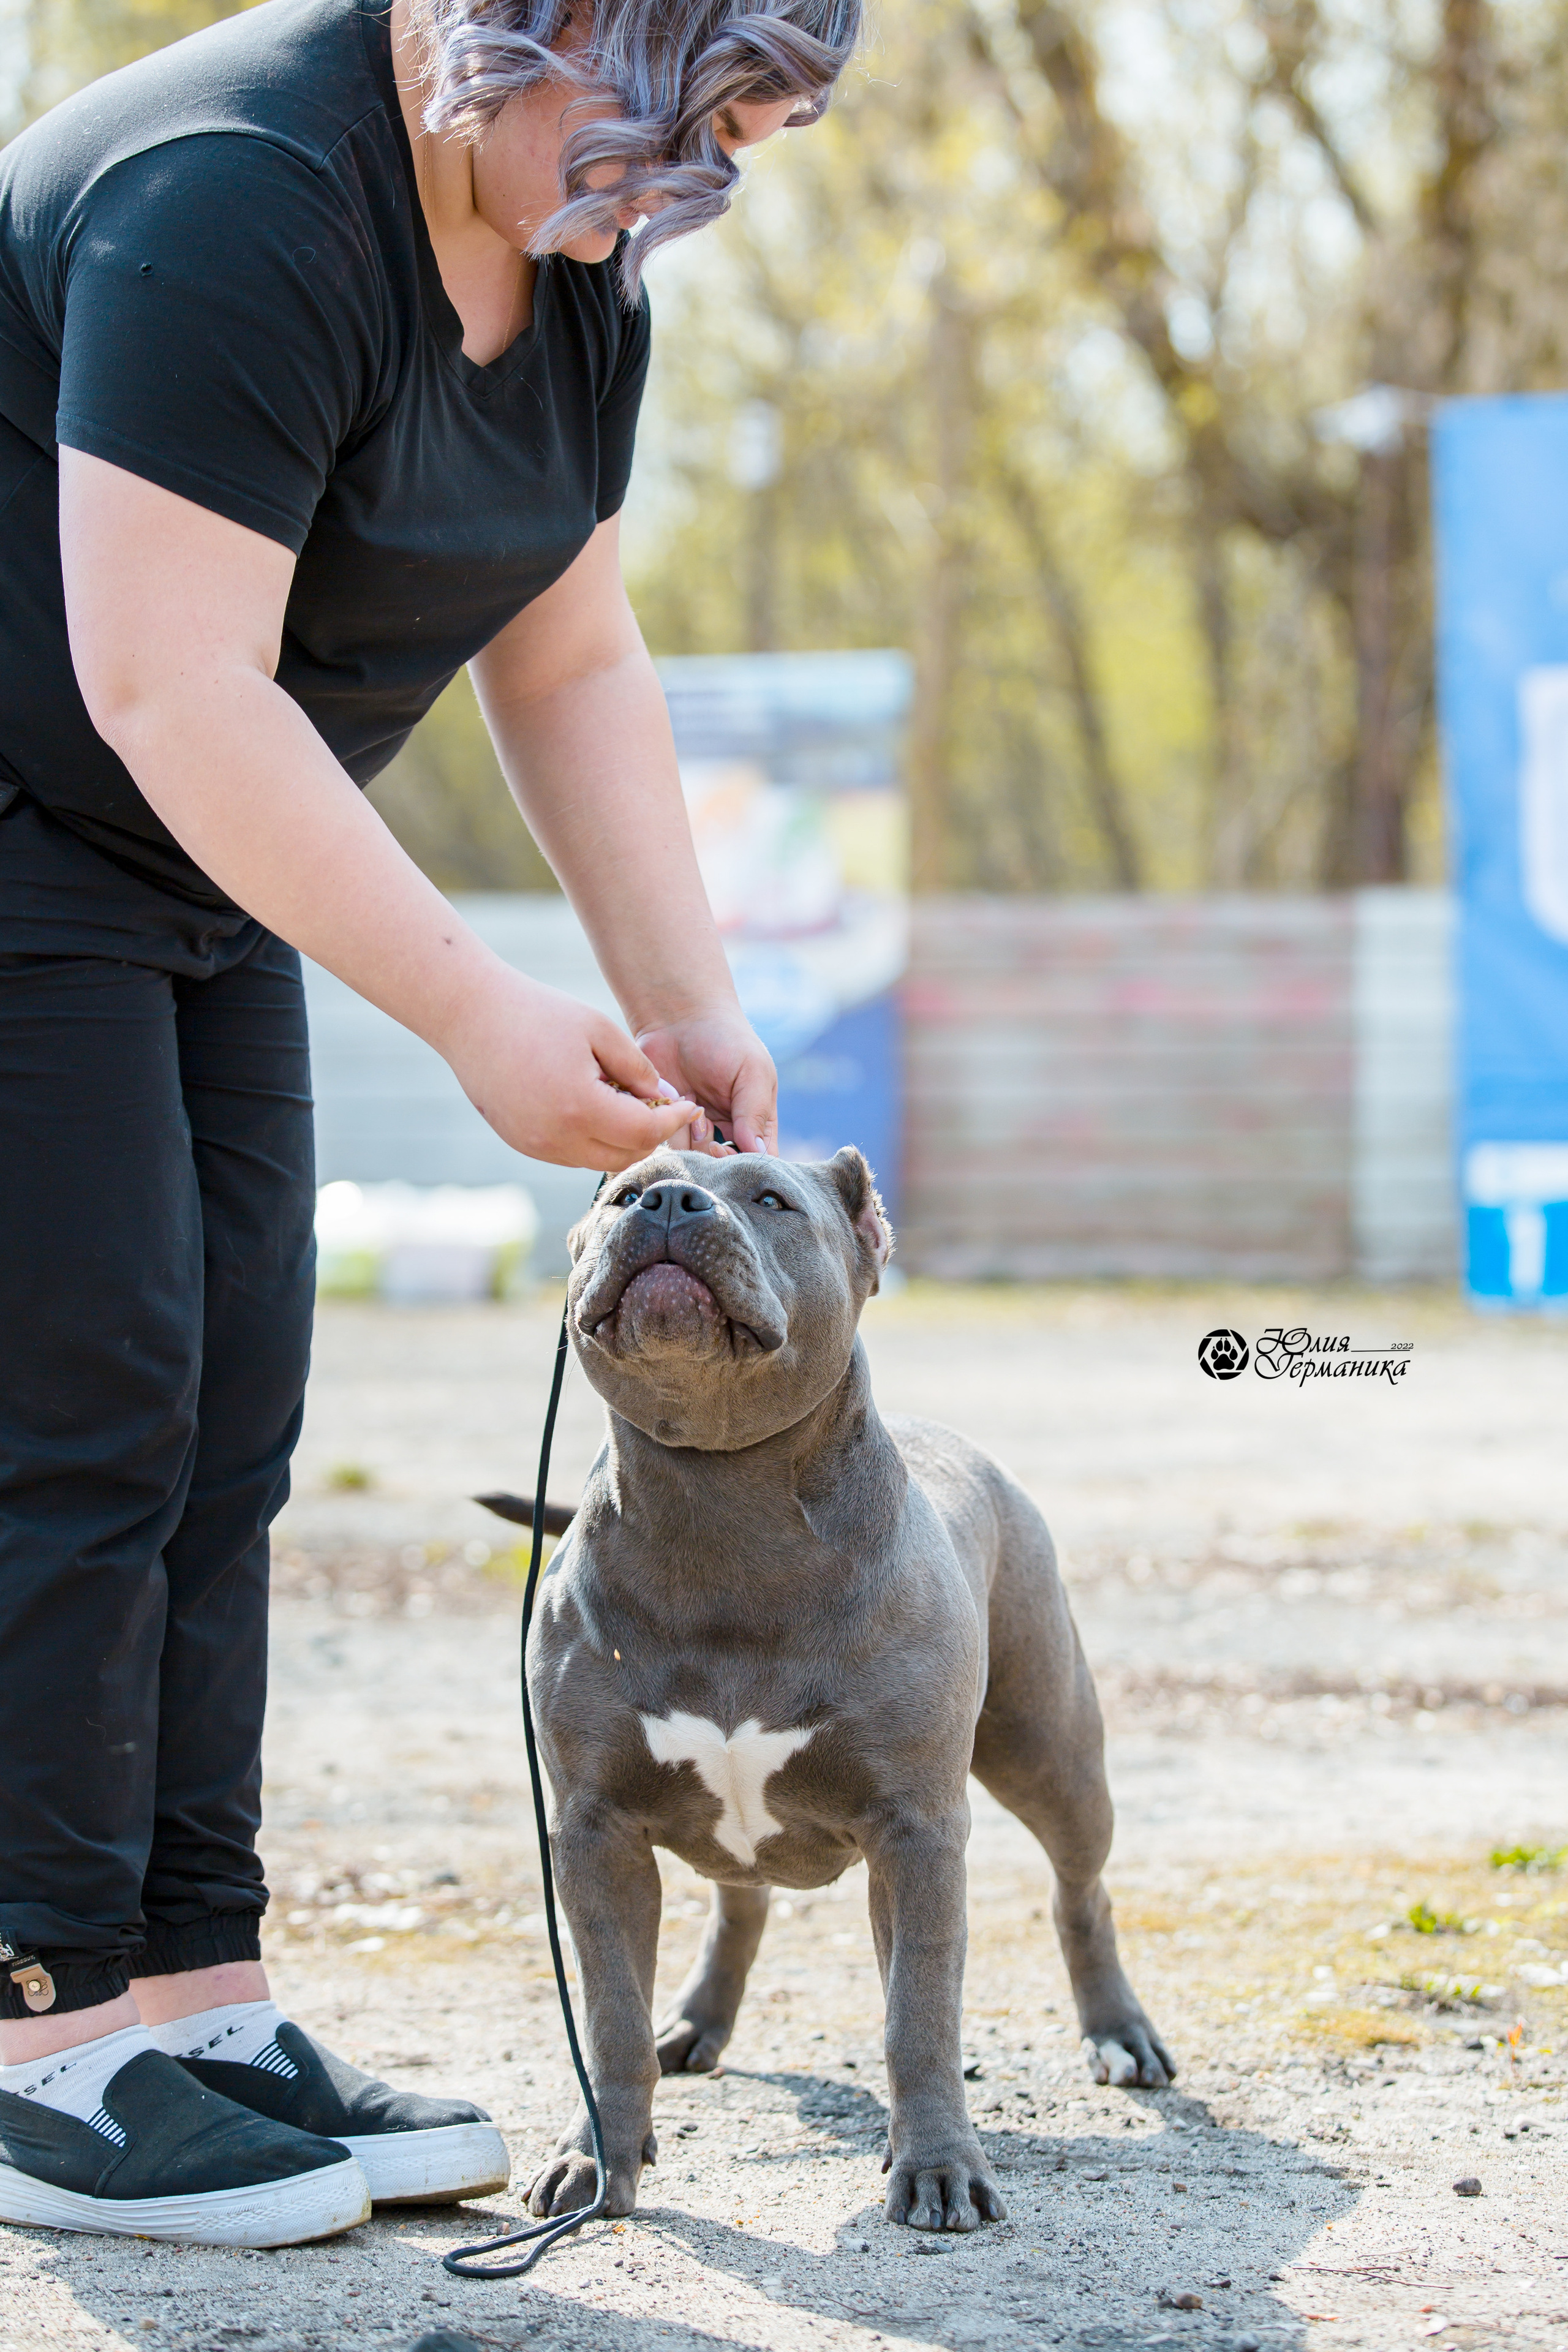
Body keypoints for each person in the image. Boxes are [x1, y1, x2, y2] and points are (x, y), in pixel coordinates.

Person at [0, 0, 857, 2246]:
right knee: (76, 1407)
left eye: (746, 144)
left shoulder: (579, 262)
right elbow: (169, 674)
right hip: (35, 829)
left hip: (180, 868)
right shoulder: (241, 206)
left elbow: (562, 651)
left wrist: (694, 1008)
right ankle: (32, 2029)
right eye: (685, 122)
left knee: (224, 1419)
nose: (691, 188)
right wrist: (476, 1010)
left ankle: (186, 1996)